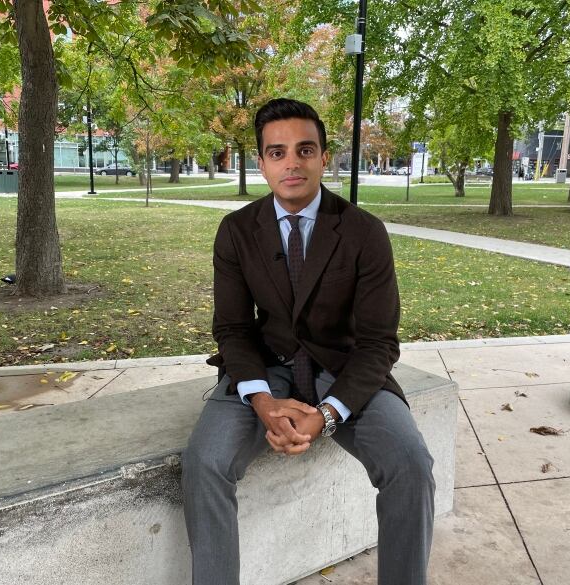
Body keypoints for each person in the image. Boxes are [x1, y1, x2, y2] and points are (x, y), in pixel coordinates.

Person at [182, 98, 436, 585]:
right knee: (204, 461)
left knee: (410, 463)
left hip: (346, 372)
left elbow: (379, 342)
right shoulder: (236, 231)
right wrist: (261, 402)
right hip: (265, 368)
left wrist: (326, 415)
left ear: (324, 157)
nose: (291, 163)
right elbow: (233, 329)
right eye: (277, 153)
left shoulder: (365, 232)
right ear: (261, 163)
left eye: (304, 149)